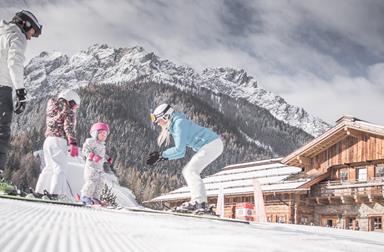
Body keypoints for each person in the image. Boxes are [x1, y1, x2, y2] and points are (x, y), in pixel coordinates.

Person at [146, 103, 224, 212]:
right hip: (213, 144)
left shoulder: (178, 124)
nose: (157, 123)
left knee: (190, 170)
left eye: (158, 120)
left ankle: (199, 202)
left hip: (212, 144)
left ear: (166, 116)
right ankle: (199, 202)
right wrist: (161, 156)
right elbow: (180, 150)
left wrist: (161, 155)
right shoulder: (176, 124)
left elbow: (179, 151)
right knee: (189, 170)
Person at [0, 10, 42, 172]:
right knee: (2, 131)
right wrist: (20, 92)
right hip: (2, 88)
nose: (30, 37)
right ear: (25, 24)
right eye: (32, 32)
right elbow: (14, 63)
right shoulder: (17, 35)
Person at [34, 89, 80, 200]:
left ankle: (39, 192)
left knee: (49, 168)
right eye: (75, 106)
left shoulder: (52, 109)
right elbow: (68, 127)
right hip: (59, 141)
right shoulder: (68, 111)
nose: (74, 109)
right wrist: (73, 142)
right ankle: (56, 193)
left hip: (48, 141)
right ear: (70, 101)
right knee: (60, 168)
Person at [80, 122, 113, 205]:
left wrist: (107, 158)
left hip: (99, 168)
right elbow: (85, 150)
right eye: (101, 133)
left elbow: (102, 155)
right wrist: (92, 156)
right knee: (91, 181)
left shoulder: (102, 145)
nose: (104, 135)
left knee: (100, 183)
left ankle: (95, 198)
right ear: (95, 133)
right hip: (91, 167)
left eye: (105, 134)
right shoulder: (90, 141)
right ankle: (85, 196)